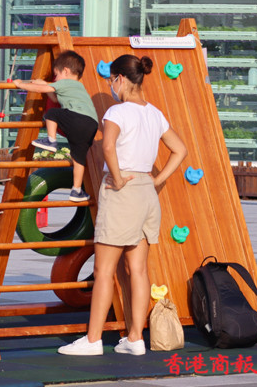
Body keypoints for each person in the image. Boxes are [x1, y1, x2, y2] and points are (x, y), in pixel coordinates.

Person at [57, 54, 187, 356]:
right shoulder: (154, 113)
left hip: (123, 190)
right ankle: (135, 338)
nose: (109, 86)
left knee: (103, 270)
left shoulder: (117, 111)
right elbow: (180, 150)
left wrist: (116, 177)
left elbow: (107, 146)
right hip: (145, 193)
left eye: (110, 80)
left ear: (120, 79)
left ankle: (93, 340)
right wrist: (157, 180)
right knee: (137, 269)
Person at [13, 50, 99, 202]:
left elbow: (41, 90)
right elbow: (54, 97)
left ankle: (51, 140)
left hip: (78, 118)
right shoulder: (79, 87)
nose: (56, 79)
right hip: (91, 125)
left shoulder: (66, 82)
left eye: (56, 75)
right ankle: (76, 191)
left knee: (52, 113)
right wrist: (46, 84)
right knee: (79, 159)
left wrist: (21, 84)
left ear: (65, 71)